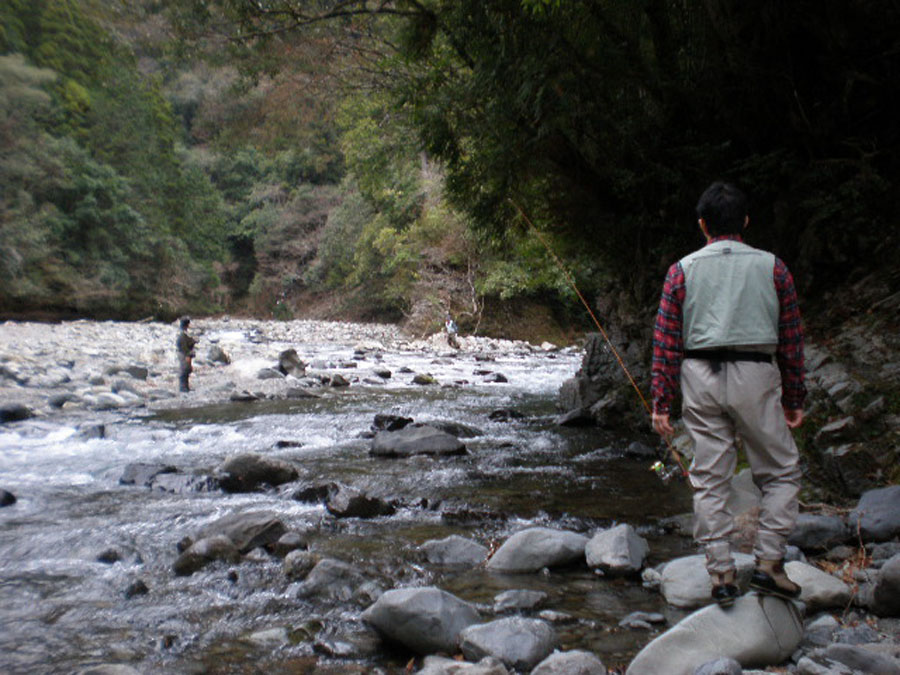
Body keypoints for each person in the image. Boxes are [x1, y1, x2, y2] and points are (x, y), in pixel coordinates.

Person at [650, 181, 806, 607]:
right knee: (780, 472)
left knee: (709, 479)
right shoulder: (775, 268)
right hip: (757, 374)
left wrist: (661, 403)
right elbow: (791, 340)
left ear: (703, 225)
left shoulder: (681, 270)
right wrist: (795, 398)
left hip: (698, 374)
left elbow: (665, 341)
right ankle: (769, 565)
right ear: (746, 222)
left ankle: (720, 574)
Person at [176, 316, 197, 393]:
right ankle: (183, 388)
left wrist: (193, 341)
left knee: (187, 369)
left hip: (184, 353)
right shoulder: (182, 334)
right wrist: (188, 355)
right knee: (185, 370)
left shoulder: (184, 333)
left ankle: (186, 387)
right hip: (183, 354)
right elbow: (183, 346)